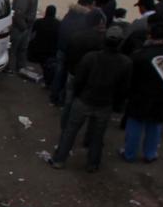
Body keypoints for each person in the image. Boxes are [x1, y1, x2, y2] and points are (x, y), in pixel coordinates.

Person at [50, 25, 132, 173]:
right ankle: (92, 164)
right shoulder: (125, 62)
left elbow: (79, 80)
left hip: (84, 100)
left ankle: (59, 160)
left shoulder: (91, 57)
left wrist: (77, 95)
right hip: (104, 103)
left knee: (70, 131)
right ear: (120, 43)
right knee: (97, 135)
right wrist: (117, 104)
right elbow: (123, 88)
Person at [122, 22, 163, 163]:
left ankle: (129, 153)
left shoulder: (140, 55)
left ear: (150, 36)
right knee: (155, 125)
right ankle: (150, 154)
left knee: (135, 124)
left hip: (140, 96)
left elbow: (129, 77)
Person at [7, 0, 49, 74]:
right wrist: (23, 26)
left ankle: (21, 66)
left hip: (26, 26)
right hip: (20, 27)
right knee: (14, 48)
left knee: (23, 48)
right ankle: (10, 68)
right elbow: (18, 13)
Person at [29, 5, 60, 86]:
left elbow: (32, 34)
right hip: (51, 50)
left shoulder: (39, 22)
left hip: (38, 48)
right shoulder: (58, 24)